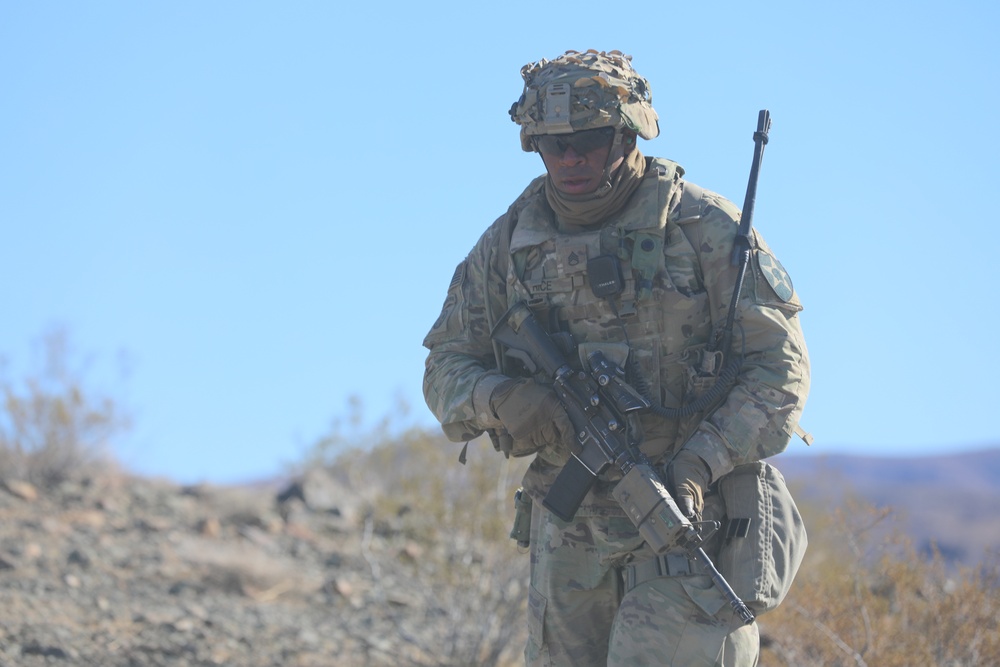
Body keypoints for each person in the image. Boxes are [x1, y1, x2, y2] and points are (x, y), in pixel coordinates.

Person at [422, 49, 810, 667]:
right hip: (571, 535)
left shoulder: (704, 230)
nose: (572, 159)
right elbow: (445, 367)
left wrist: (697, 463)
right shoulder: (507, 247)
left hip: (688, 514)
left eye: (592, 140)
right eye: (554, 145)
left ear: (630, 131)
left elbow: (779, 374)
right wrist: (504, 400)